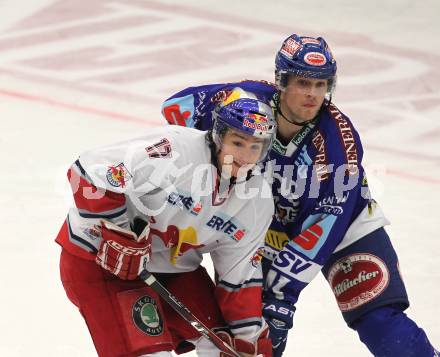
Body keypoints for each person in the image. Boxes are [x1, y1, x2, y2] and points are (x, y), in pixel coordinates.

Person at [161, 34, 439, 356]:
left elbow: (325, 225)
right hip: (261, 227)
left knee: (378, 319)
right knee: (249, 331)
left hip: (345, 229)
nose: (313, 95)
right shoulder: (246, 101)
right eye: (304, 82)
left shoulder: (337, 143)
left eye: (321, 85)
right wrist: (214, 135)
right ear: (281, 81)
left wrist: (283, 293)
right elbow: (174, 109)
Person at [55, 89, 278, 357]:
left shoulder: (257, 201)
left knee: (224, 344)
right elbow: (89, 171)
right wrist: (119, 231)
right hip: (102, 264)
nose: (244, 156)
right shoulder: (174, 150)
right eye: (238, 142)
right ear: (219, 136)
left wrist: (249, 337)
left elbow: (239, 277)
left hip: (172, 270)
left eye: (255, 146)